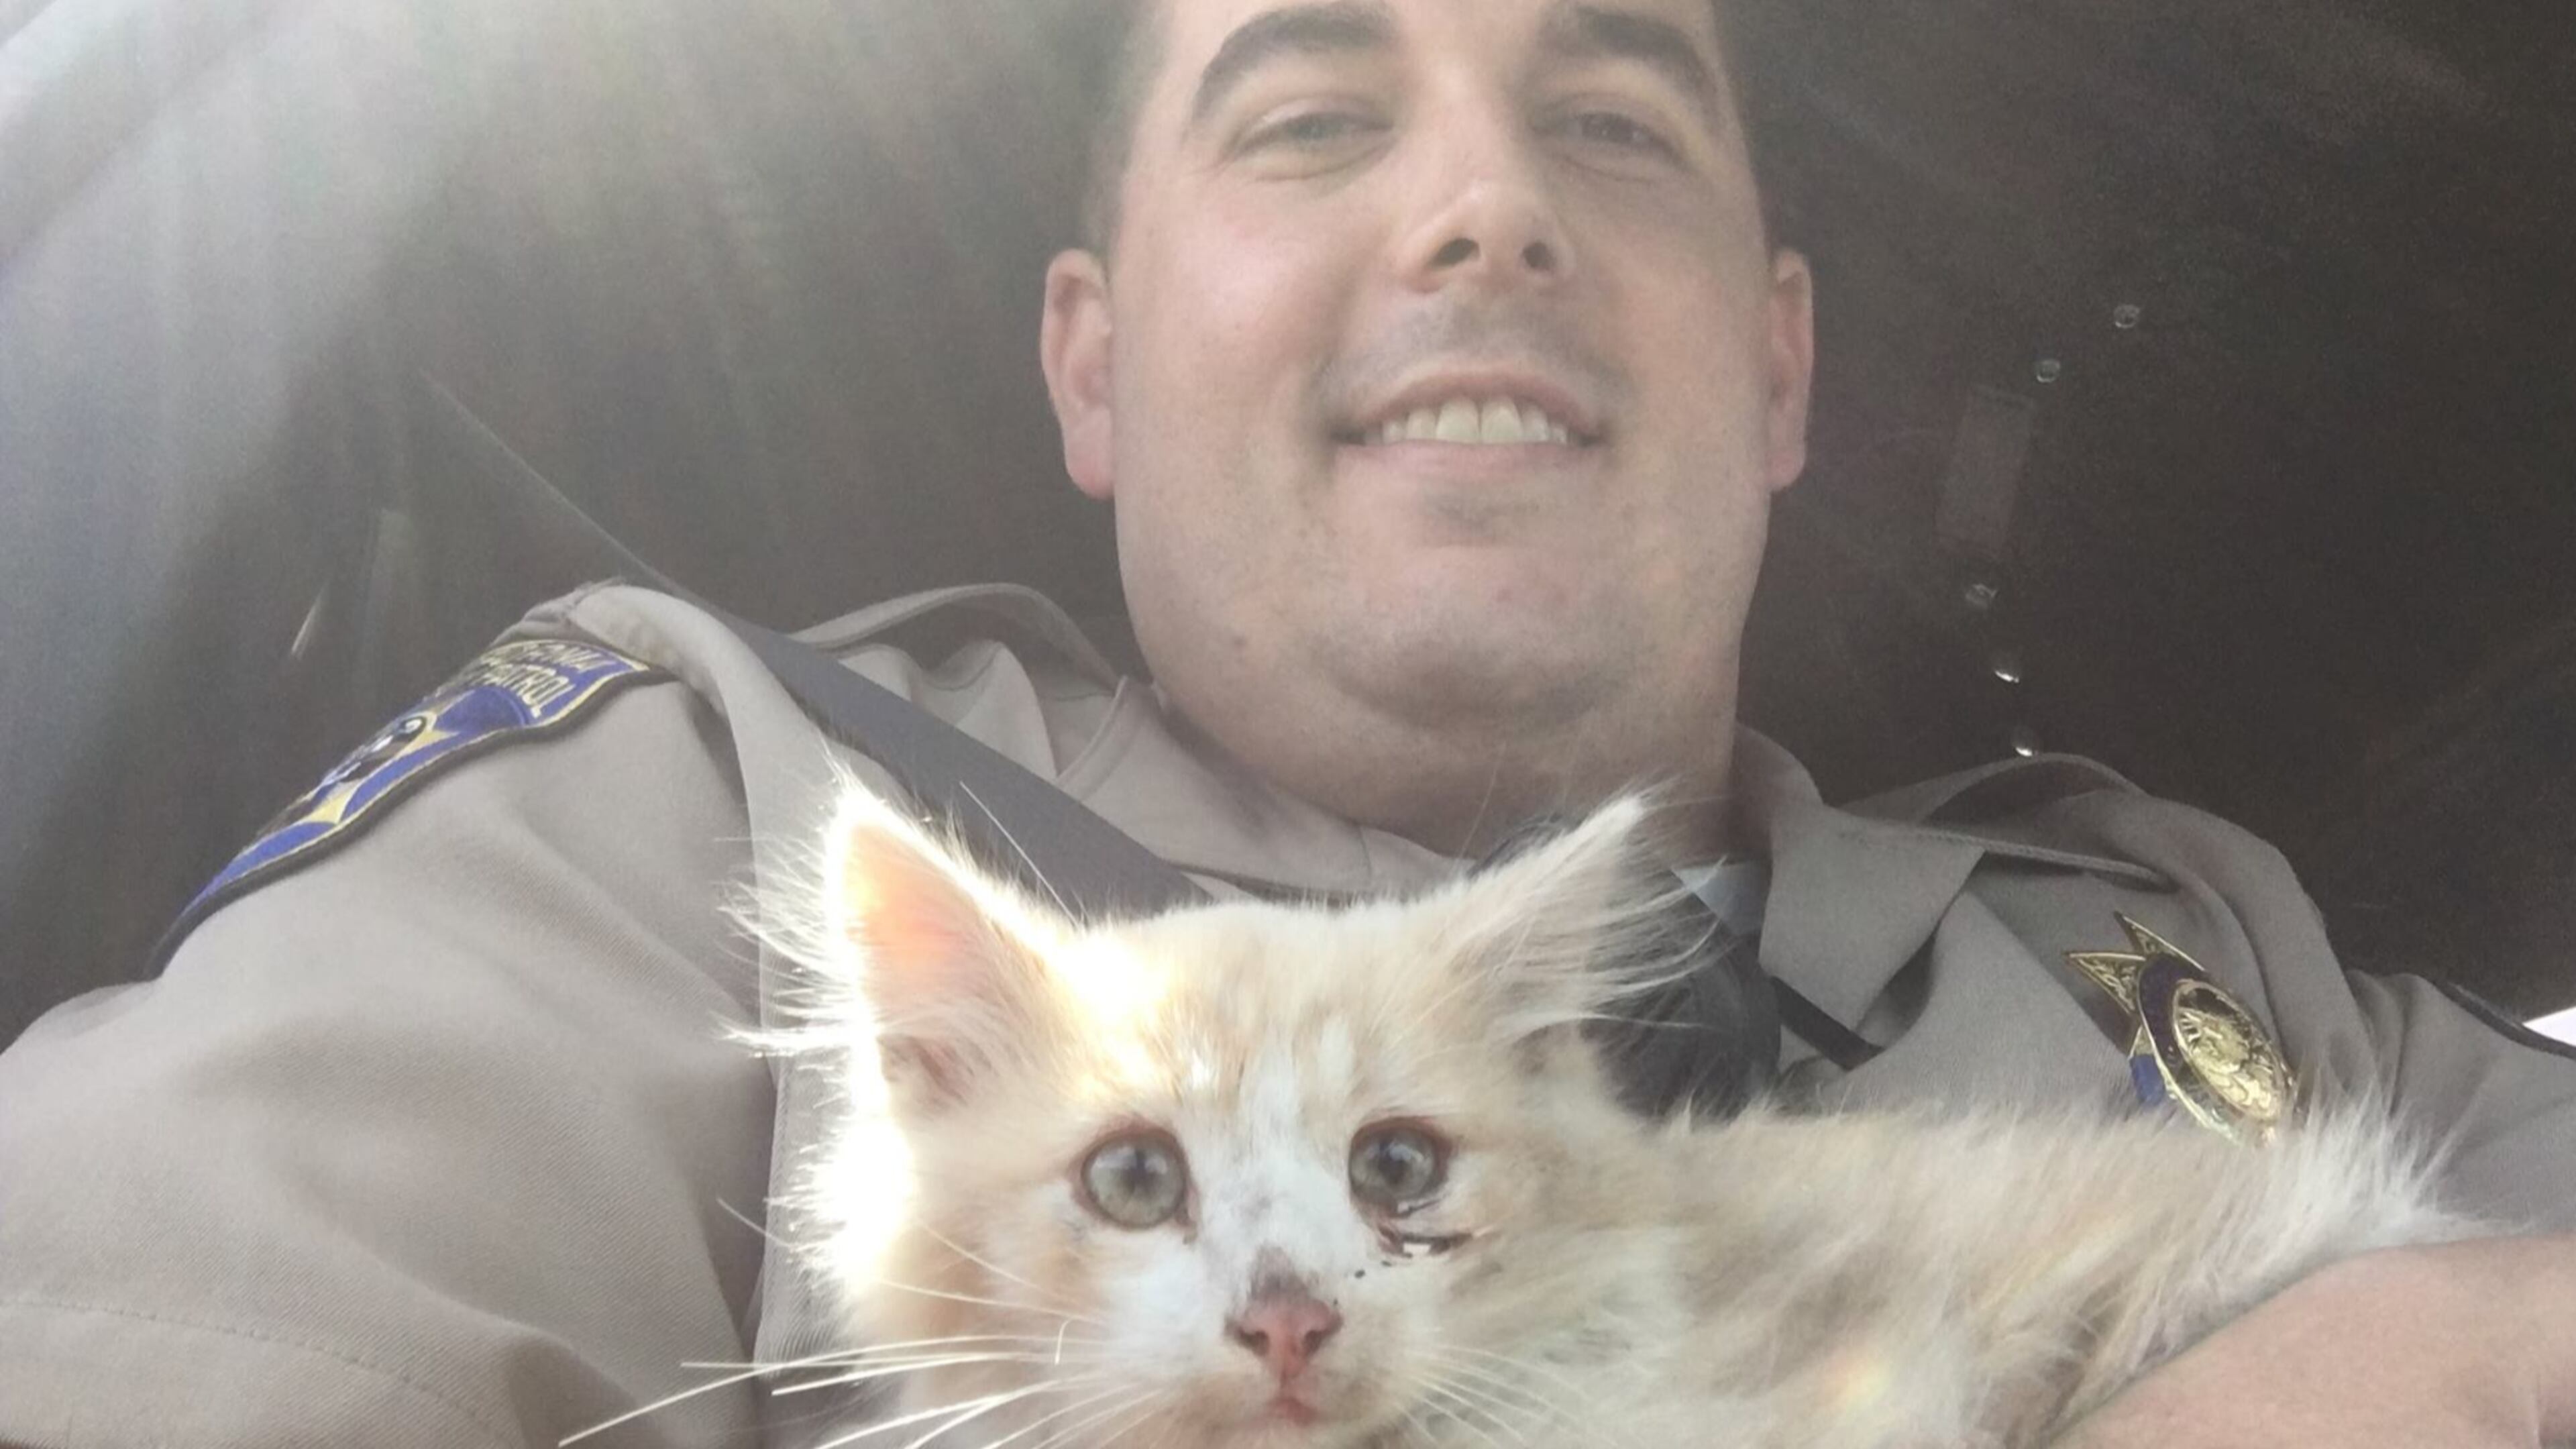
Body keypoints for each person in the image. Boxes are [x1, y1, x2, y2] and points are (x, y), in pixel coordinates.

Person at [2, 1, 2571, 1445]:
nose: (1487, 214)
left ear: (1781, 371)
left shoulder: (2183, 918)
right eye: (1318, 119)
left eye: (1607, 123)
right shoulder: (699, 791)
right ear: (1093, 361)